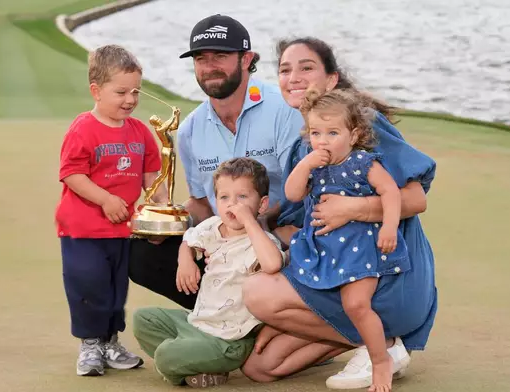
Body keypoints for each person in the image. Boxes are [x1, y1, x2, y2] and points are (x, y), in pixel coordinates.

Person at [241, 37, 438, 391]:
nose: (294, 77)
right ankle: (371, 343)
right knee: (262, 366)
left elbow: (415, 197)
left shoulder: (362, 128)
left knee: (258, 293)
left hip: (384, 274)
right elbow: (299, 211)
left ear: (331, 79)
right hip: (336, 270)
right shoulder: (308, 145)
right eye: (285, 70)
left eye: (306, 67)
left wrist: (354, 208)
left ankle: (384, 347)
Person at [128, 14, 303, 310]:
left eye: (220, 56)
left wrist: (251, 230)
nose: (209, 67)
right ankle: (223, 318)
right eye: (201, 58)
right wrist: (166, 223)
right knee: (141, 254)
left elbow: (299, 193)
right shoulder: (190, 130)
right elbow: (202, 203)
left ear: (247, 59)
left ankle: (283, 322)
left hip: (279, 235)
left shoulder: (284, 110)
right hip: (224, 239)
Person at [285, 88, 410, 392]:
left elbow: (391, 192)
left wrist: (389, 227)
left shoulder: (362, 163)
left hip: (359, 249)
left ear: (353, 135)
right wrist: (305, 165)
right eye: (315, 133)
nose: (322, 141)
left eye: (332, 132)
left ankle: (381, 361)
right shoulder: (314, 164)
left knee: (356, 304)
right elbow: (292, 194)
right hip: (324, 250)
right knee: (300, 293)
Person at [55, 44, 167, 377]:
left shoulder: (140, 132)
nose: (130, 99)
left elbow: (152, 177)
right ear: (96, 90)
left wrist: (162, 210)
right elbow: (72, 173)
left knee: (116, 289)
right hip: (83, 230)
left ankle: (110, 341)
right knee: (88, 284)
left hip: (122, 231)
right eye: (121, 92)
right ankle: (90, 344)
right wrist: (105, 199)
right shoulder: (83, 128)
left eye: (135, 91)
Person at [132, 158, 286, 388]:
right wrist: (186, 260)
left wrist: (249, 221)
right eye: (224, 197)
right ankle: (197, 365)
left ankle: (191, 364)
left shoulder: (262, 242)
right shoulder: (211, 226)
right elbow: (188, 239)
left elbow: (273, 264)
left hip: (230, 340)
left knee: (166, 354)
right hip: (197, 323)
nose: (232, 204)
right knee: (143, 319)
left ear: (262, 204)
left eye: (242, 197)